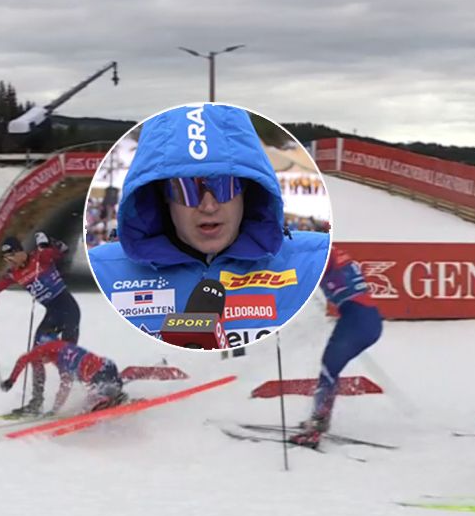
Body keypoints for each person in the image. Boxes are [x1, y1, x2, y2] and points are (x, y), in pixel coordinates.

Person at [88, 104, 330, 347]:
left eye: (224, 186)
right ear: (162, 194)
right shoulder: (101, 272)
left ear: (248, 188)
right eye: (188, 190)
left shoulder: (317, 261)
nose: (209, 206)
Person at [0, 232, 80, 414]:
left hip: (69, 311)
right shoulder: (13, 274)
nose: (9, 262)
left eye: (10, 257)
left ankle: (66, 403)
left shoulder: (40, 257)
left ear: (18, 252)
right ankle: (36, 402)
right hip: (52, 314)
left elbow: (63, 249)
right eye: (6, 259)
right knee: (35, 356)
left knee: (67, 361)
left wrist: (49, 241)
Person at [289, 246, 383, 448]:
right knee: (329, 369)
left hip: (358, 322)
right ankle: (318, 418)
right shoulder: (327, 253)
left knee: (328, 370)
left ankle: (316, 428)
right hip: (361, 319)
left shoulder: (323, 255)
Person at [0, 340, 126, 415]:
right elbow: (65, 387)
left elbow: (24, 359)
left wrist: (11, 380)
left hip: (98, 372)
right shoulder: (61, 361)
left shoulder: (46, 349)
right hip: (107, 365)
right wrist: (55, 410)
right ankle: (118, 397)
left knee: (95, 400)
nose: (43, 363)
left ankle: (110, 399)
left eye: (41, 361)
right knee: (104, 391)